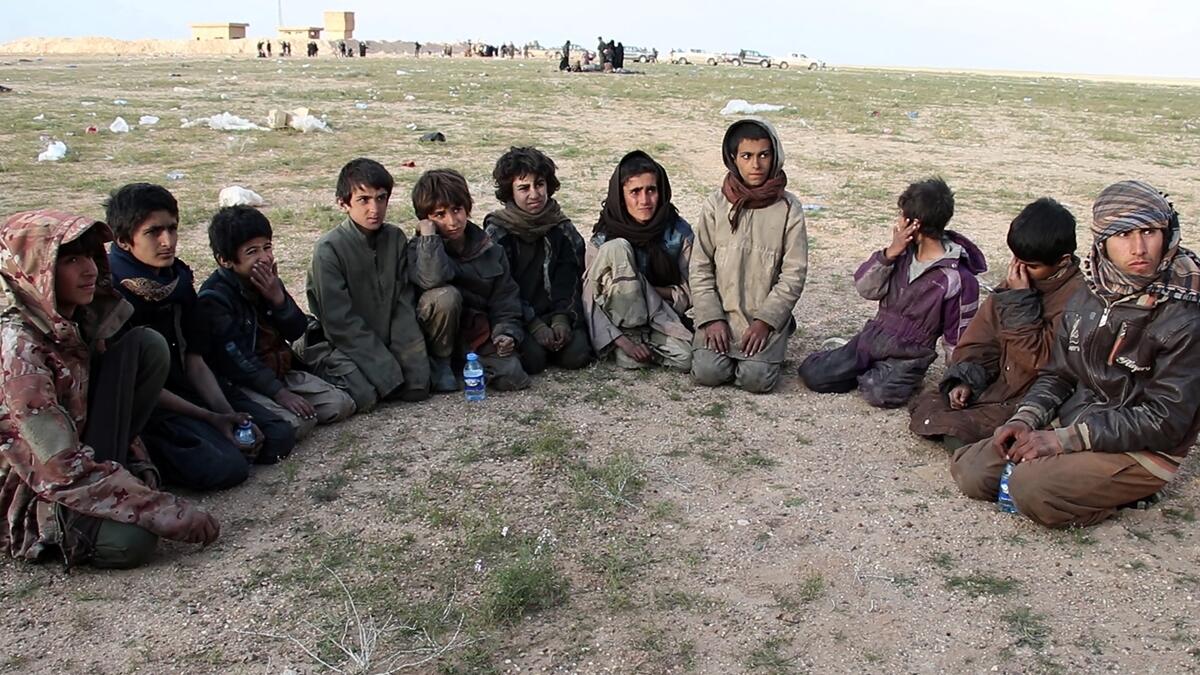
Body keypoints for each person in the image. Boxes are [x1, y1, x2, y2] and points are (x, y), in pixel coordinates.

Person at [951, 180, 1200, 528]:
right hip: (1078, 419)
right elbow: (1060, 373)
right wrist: (1026, 419)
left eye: (1149, 231)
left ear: (1168, 233)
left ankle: (1125, 494)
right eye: (1123, 234)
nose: (1139, 247)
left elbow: (1165, 419)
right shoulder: (1090, 291)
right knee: (972, 470)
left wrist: (1061, 441)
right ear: (1102, 241)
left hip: (1142, 446)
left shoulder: (1185, 311)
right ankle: (1073, 477)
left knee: (1029, 488)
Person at [0, 210, 219, 568]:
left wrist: (140, 470)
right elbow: (58, 467)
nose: (89, 269)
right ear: (36, 270)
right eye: (70, 259)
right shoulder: (21, 351)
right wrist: (155, 506)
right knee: (132, 541)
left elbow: (109, 405)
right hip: (39, 484)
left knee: (144, 345)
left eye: (89, 256)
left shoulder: (81, 322)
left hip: (86, 457)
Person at [107, 184, 293, 491]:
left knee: (277, 438)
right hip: (149, 403)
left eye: (172, 229)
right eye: (154, 232)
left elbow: (195, 358)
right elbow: (139, 384)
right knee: (226, 468)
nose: (167, 242)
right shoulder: (113, 295)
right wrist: (210, 417)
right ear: (124, 241)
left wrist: (226, 413)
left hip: (189, 386)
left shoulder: (176, 279)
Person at [909, 198, 1082, 449]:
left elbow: (1041, 361)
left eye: (1031, 266)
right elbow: (981, 339)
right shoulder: (1018, 281)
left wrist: (1020, 301)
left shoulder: (1078, 299)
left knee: (963, 436)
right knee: (931, 407)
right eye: (1016, 259)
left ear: (1063, 261)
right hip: (997, 385)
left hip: (1033, 397)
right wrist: (966, 380)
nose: (1018, 269)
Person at [799, 177, 985, 408]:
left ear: (913, 224)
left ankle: (883, 375)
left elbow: (958, 338)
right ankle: (860, 367)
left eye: (901, 215)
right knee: (813, 373)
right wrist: (888, 254)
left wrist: (960, 380)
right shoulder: (901, 254)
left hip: (909, 354)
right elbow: (865, 289)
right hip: (873, 338)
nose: (897, 221)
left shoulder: (958, 279)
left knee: (880, 394)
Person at [199, 206, 356, 441]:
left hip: (279, 370)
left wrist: (278, 300)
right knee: (297, 424)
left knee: (340, 404)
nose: (264, 257)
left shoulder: (267, 281)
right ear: (225, 260)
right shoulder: (216, 299)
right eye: (252, 251)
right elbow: (238, 361)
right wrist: (280, 394)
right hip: (245, 382)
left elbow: (295, 330)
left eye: (267, 247)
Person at [295, 158, 431, 413]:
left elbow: (403, 303)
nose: (375, 209)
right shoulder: (329, 250)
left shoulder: (394, 238)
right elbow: (340, 322)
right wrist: (387, 370)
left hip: (384, 335)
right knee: (365, 396)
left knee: (418, 386)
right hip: (340, 343)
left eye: (381, 198)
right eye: (364, 200)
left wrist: (412, 364)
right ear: (343, 204)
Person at [690, 118, 807, 393]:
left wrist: (766, 322)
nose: (756, 165)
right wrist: (711, 318)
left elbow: (794, 273)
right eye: (747, 156)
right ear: (733, 159)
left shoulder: (789, 208)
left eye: (764, 155)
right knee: (708, 372)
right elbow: (699, 267)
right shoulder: (715, 204)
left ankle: (777, 337)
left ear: (774, 156)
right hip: (721, 315)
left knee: (755, 379)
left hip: (762, 319)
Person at [409, 170, 530, 392]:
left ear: (467, 208)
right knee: (446, 297)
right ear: (426, 218)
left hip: (475, 337)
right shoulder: (420, 249)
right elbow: (432, 279)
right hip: (436, 339)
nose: (452, 221)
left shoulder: (491, 250)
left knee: (514, 377)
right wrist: (428, 236)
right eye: (439, 215)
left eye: (457, 210)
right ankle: (442, 364)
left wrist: (505, 332)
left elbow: (505, 300)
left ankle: (463, 367)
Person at [483, 147, 592, 375]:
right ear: (510, 192)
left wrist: (562, 318)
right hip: (518, 316)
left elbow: (571, 275)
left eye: (539, 184)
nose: (534, 194)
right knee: (533, 360)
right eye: (524, 188)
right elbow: (502, 289)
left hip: (555, 312)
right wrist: (534, 325)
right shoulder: (498, 233)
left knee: (577, 354)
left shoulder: (561, 227)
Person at [585, 150, 693, 371]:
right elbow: (589, 297)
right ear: (620, 195)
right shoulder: (604, 238)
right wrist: (621, 341)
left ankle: (644, 348)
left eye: (651, 190)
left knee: (688, 358)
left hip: (660, 313)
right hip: (617, 323)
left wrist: (644, 289)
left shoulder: (677, 232)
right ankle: (629, 342)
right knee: (618, 247)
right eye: (635, 192)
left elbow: (693, 289)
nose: (645, 200)